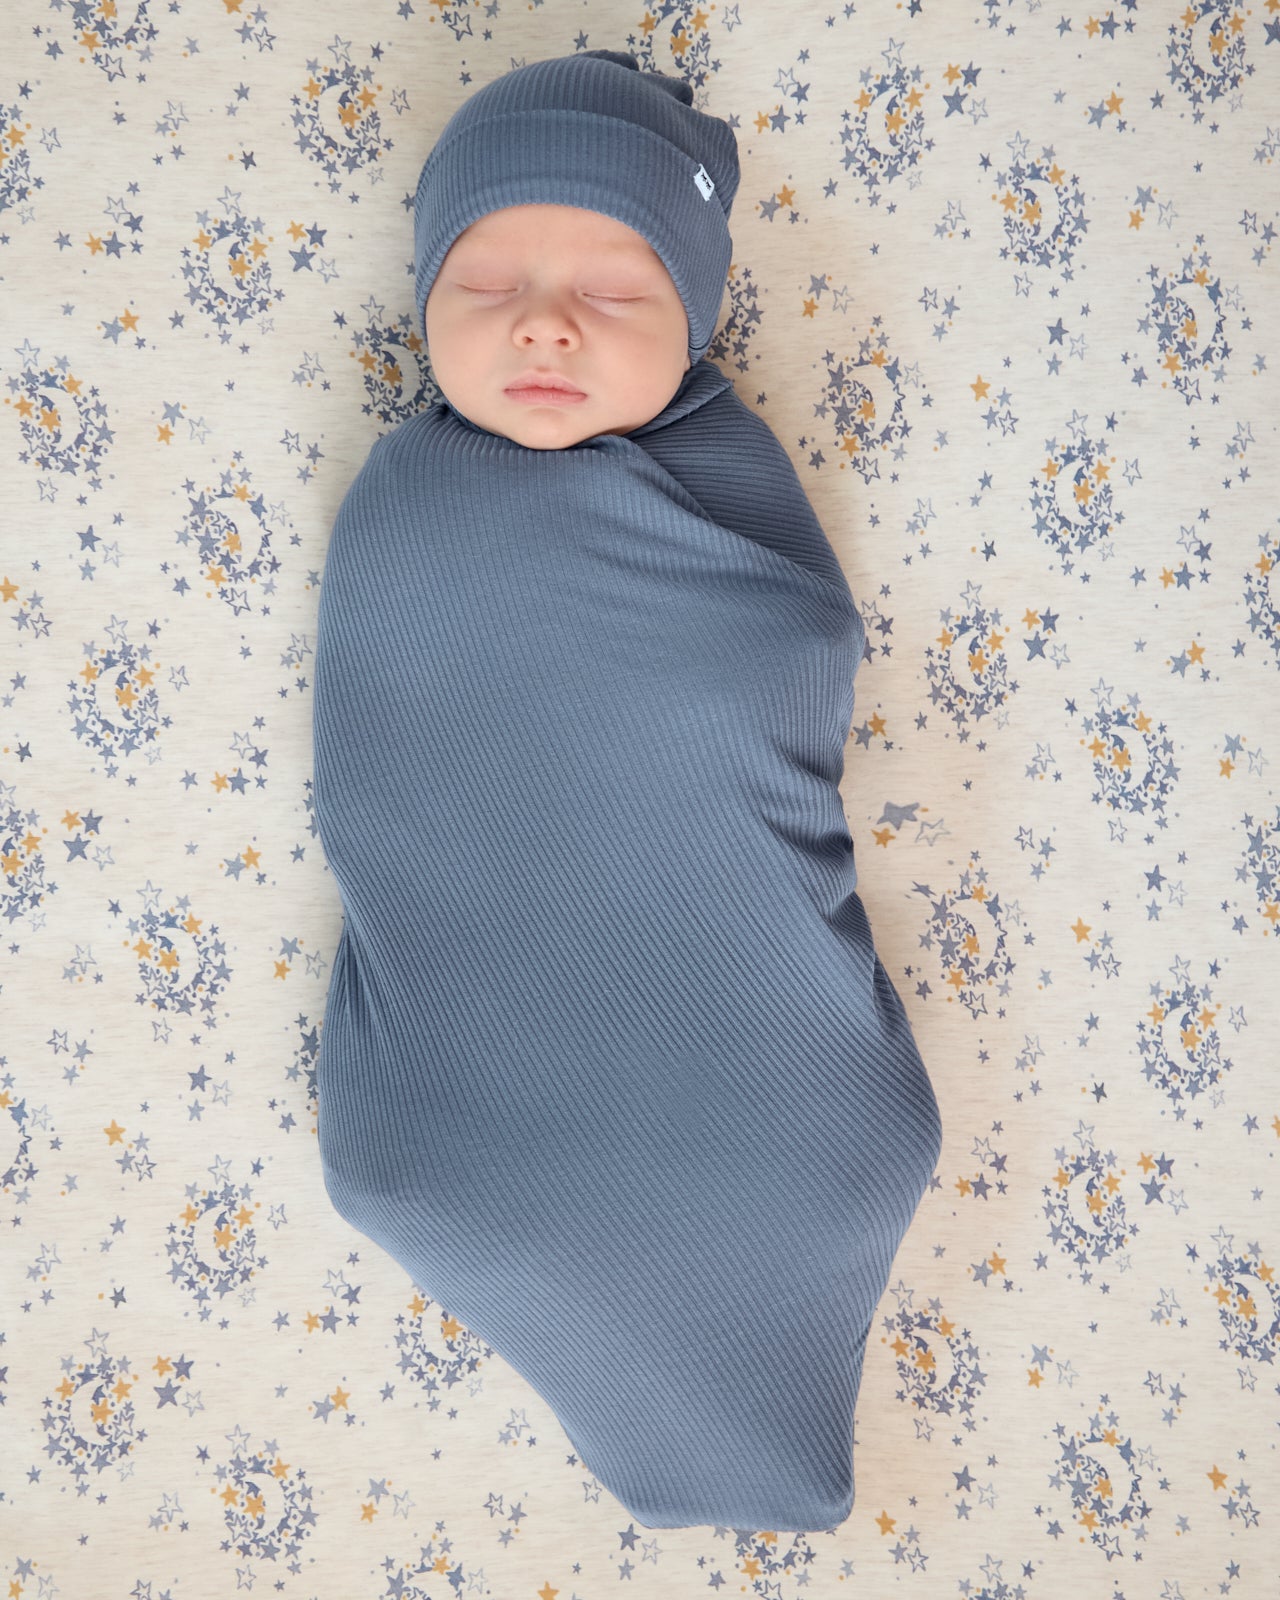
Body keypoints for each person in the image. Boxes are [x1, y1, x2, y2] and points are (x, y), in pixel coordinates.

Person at [311, 49, 943, 1533]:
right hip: (480, 1061)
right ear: (424, 302)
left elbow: (780, 661)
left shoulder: (741, 500)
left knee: (825, 1163)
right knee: (435, 1182)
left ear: (695, 317)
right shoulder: (404, 504)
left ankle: (763, 1357)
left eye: (612, 286)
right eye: (488, 282)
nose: (544, 321)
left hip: (750, 1037)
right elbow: (390, 771)